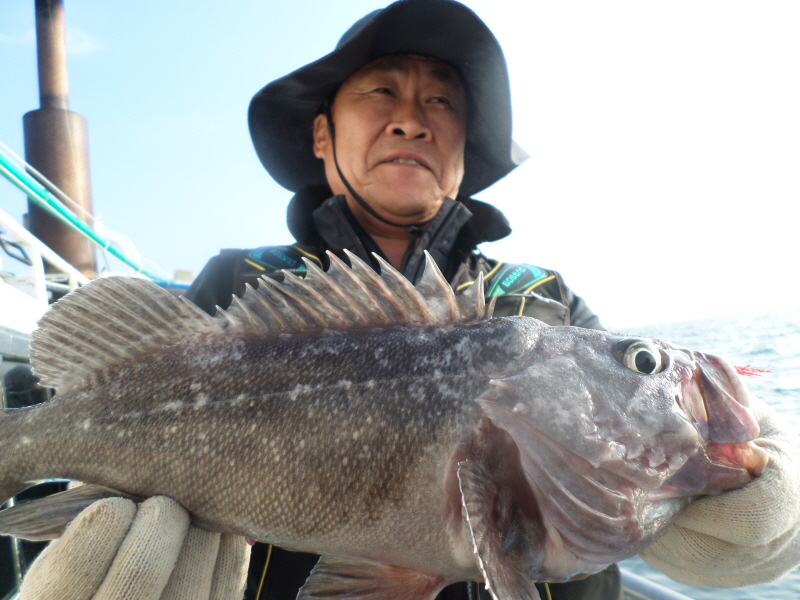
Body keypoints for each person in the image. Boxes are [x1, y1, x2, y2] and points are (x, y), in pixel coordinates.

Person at [16, 1, 800, 599]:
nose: (410, 120)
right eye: (381, 92)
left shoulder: (546, 307)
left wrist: (775, 505)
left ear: (465, 151)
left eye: (441, 104)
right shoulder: (236, 288)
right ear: (322, 138)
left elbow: (670, 447)